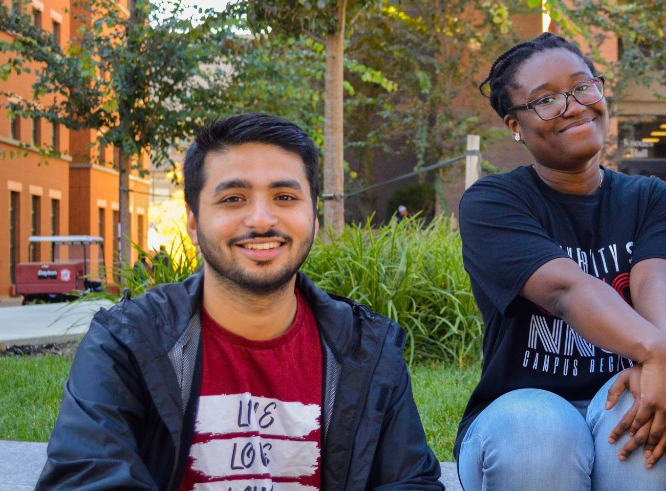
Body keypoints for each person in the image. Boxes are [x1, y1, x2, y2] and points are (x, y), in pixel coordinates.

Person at [37, 113, 443, 490]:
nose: (262, 219)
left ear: (314, 216)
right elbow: (85, 478)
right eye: (233, 199)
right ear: (194, 222)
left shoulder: (366, 351)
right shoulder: (128, 343)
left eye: (285, 197)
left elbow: (411, 482)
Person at [457, 32, 666, 491]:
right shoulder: (493, 203)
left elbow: (655, 288)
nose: (573, 106)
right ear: (515, 125)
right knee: (539, 429)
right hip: (519, 415)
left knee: (636, 414)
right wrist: (663, 355)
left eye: (582, 86)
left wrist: (663, 373)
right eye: (546, 100)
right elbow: (565, 291)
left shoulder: (653, 198)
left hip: (621, 394)